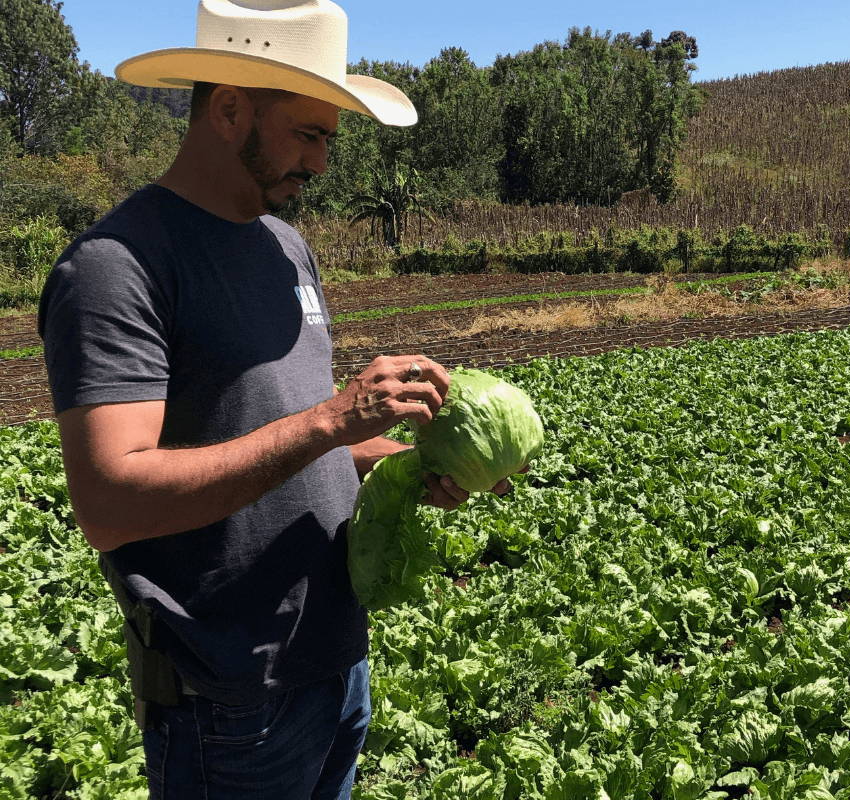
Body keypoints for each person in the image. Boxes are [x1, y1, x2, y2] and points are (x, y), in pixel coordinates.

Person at [37, 1, 514, 796]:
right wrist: (333, 416)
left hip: (331, 659)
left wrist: (409, 460)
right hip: (228, 696)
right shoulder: (118, 268)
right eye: (310, 134)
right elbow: (109, 502)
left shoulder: (284, 245)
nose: (323, 164)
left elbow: (290, 435)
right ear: (229, 109)